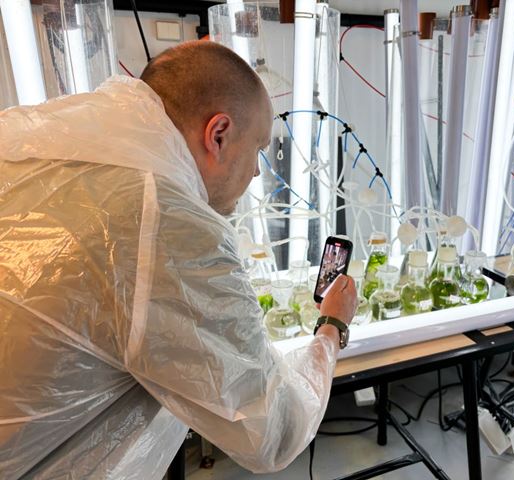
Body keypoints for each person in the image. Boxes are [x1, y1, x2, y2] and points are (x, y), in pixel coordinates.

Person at [0, 41, 358, 479]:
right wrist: (331, 327)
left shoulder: (41, 144)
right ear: (219, 134)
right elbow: (273, 430)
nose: (256, 172)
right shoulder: (164, 219)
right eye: (259, 149)